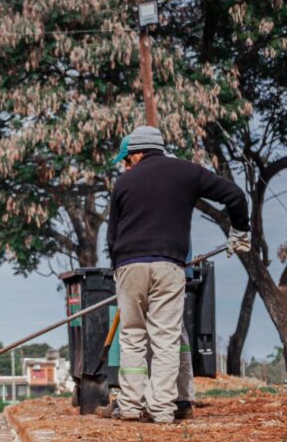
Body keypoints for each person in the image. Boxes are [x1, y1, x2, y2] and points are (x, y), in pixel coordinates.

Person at [106, 126, 250, 423]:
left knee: (132, 336)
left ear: (138, 153)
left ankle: (130, 406)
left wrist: (118, 269)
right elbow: (235, 196)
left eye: (128, 158)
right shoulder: (189, 172)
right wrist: (239, 231)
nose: (126, 165)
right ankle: (161, 410)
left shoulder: (123, 183)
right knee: (166, 338)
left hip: (129, 265)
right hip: (169, 265)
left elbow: (112, 236)